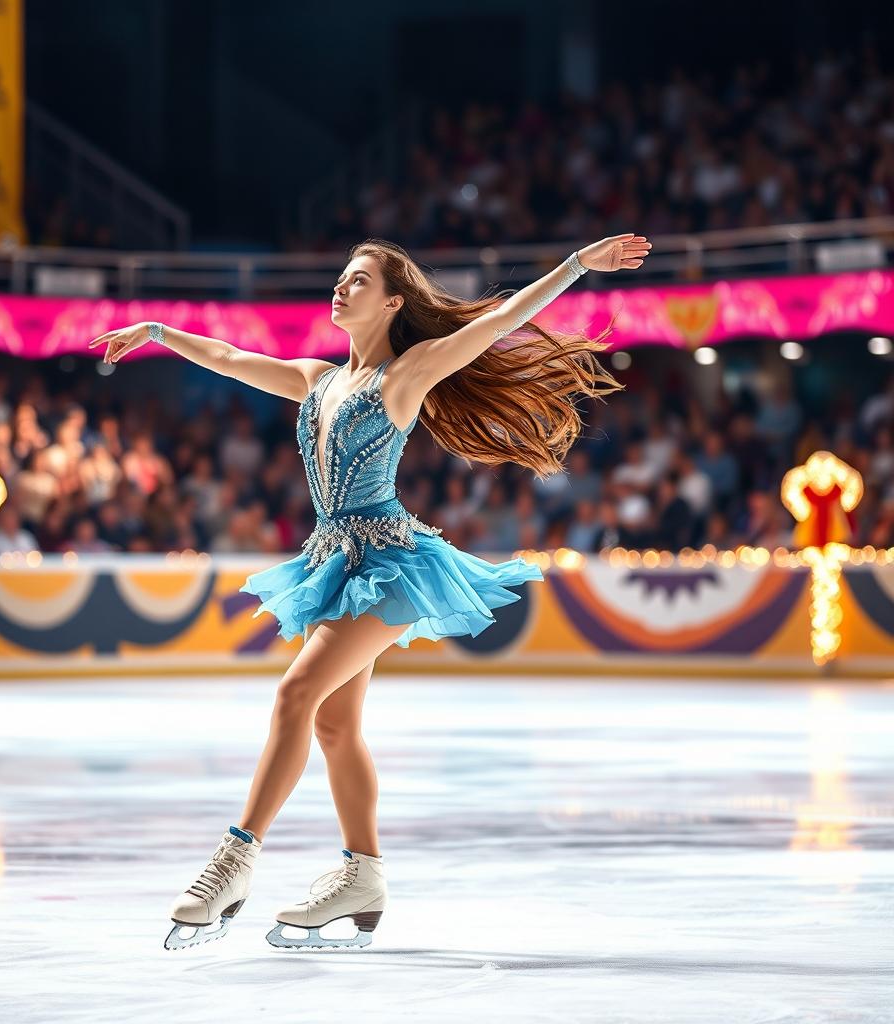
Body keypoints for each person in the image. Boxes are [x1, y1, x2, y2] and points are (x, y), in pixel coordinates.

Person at [89, 232, 650, 952]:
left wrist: (576, 267)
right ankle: (363, 875)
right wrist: (159, 332)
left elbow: (500, 321)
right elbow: (230, 360)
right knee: (332, 725)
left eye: (357, 281)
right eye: (341, 278)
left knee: (296, 696)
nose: (340, 288)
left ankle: (234, 862)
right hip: (333, 562)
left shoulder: (406, 375)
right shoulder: (317, 380)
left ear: (391, 301)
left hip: (391, 565)